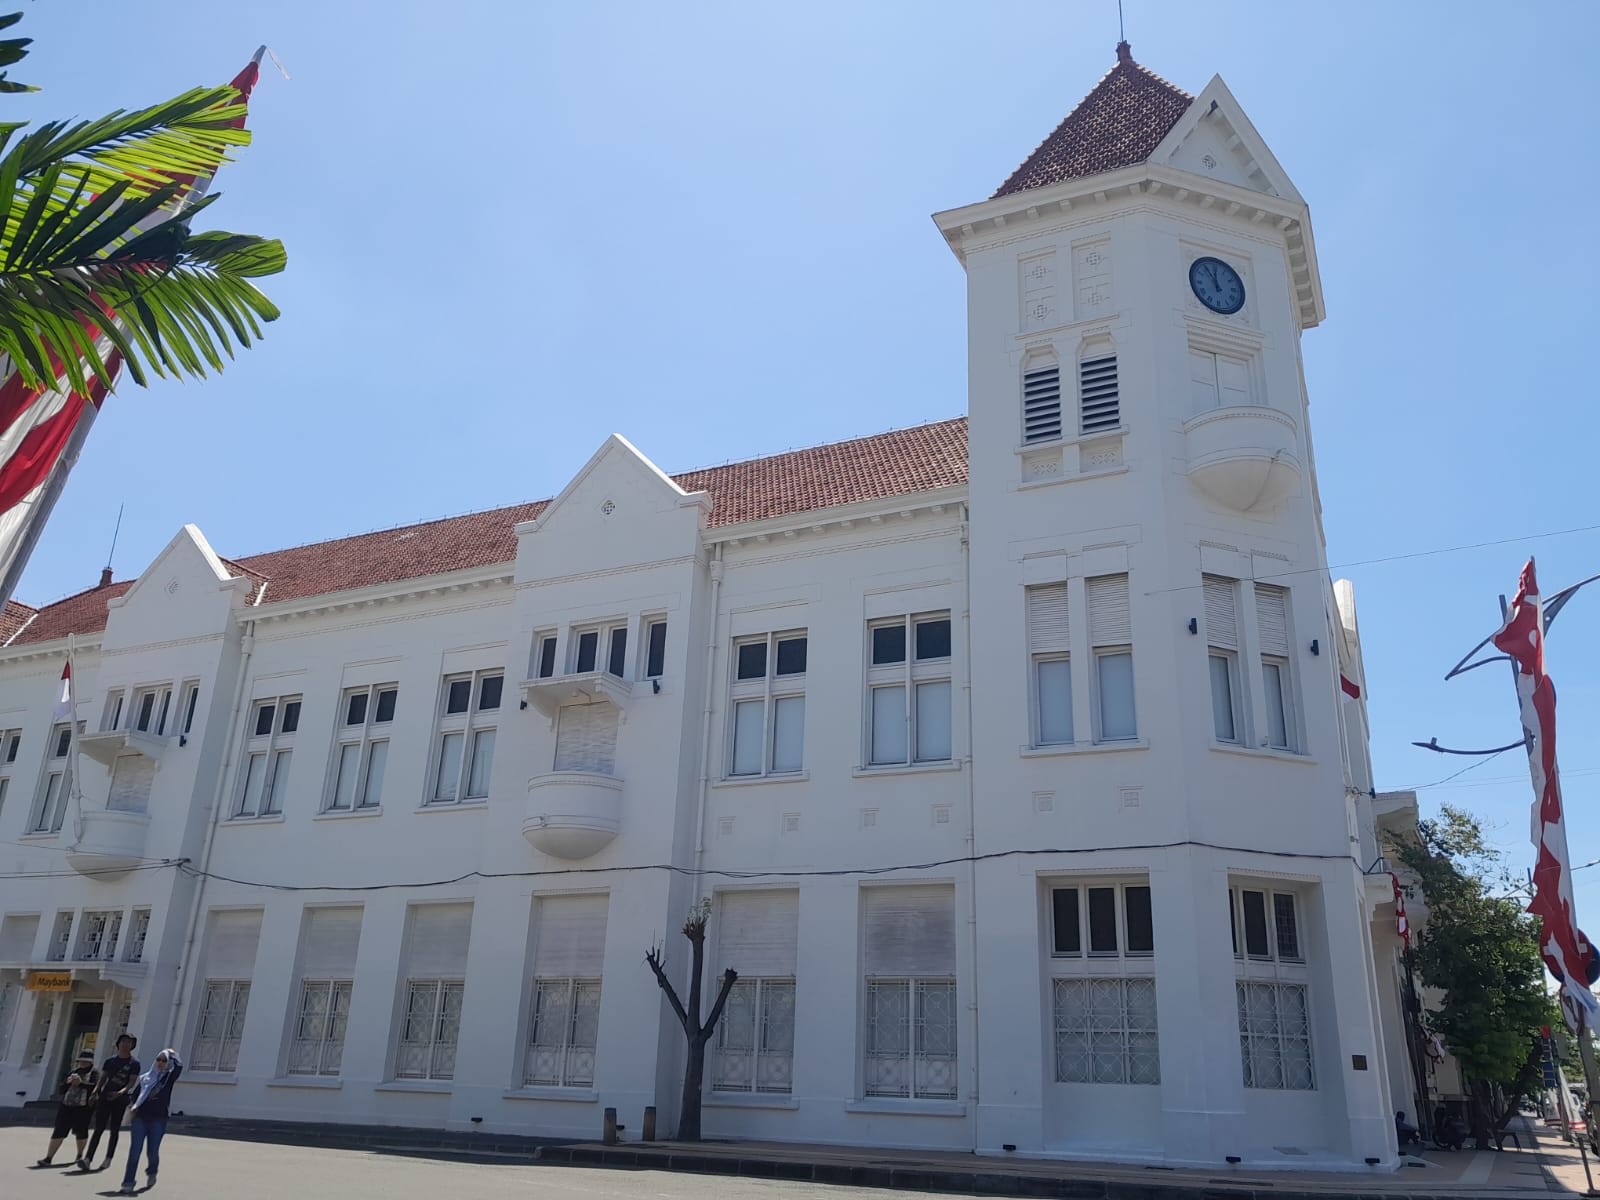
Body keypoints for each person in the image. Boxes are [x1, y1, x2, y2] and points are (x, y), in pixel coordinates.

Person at [117, 1047, 182, 1196]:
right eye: (158, 1059)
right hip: (140, 1118)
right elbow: (136, 1096)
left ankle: (152, 1171)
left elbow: (179, 1066)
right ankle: (128, 1182)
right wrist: (133, 1106)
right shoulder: (145, 1078)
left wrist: (172, 1054)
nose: (160, 1063)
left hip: (158, 1119)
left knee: (152, 1152)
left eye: (164, 1060)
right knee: (134, 1151)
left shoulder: (167, 1079)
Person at [34, 1050, 99, 1169]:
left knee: (81, 1132)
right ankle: (48, 1158)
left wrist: (81, 1083)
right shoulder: (73, 1072)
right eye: (81, 1061)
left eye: (86, 1062)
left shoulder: (94, 1073)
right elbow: (61, 1089)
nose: (83, 1064)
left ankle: (79, 1154)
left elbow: (95, 1088)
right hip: (66, 1105)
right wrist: (68, 1083)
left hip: (83, 1107)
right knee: (59, 1130)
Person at [86, 1034, 140, 1170]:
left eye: (129, 1042)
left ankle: (108, 1158)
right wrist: (95, 1091)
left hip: (120, 1100)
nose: (125, 1044)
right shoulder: (110, 1061)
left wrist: (120, 1093)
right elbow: (103, 1078)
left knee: (114, 1129)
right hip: (105, 1097)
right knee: (98, 1128)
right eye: (123, 1042)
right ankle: (88, 1158)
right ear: (118, 1043)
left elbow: (131, 1082)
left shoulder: (134, 1063)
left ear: (132, 1045)